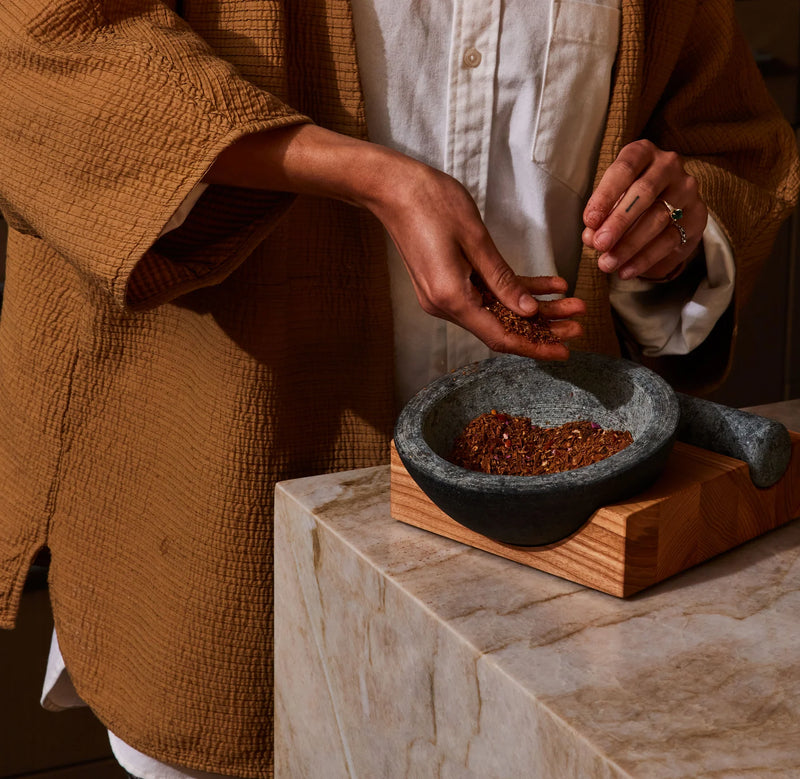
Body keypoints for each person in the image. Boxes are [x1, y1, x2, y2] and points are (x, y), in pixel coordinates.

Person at [0, 1, 796, 778]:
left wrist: (672, 234)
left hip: (553, 576)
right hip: (228, 511)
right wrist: (363, 176)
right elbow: (43, 44)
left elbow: (724, 141)